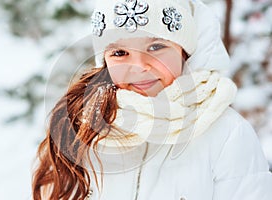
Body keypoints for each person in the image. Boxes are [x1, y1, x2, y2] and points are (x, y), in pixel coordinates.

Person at [32, 0, 272, 199]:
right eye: (120, 53)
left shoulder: (227, 134)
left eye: (156, 47)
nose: (139, 67)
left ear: (184, 52)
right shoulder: (85, 127)